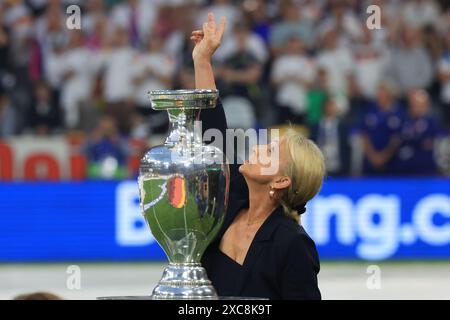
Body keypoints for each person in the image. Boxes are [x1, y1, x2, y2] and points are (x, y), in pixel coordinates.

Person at [191, 13, 324, 300]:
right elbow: (213, 130)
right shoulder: (232, 198)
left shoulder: (293, 244)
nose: (259, 147)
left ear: (282, 180)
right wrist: (203, 61)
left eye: (272, 151)